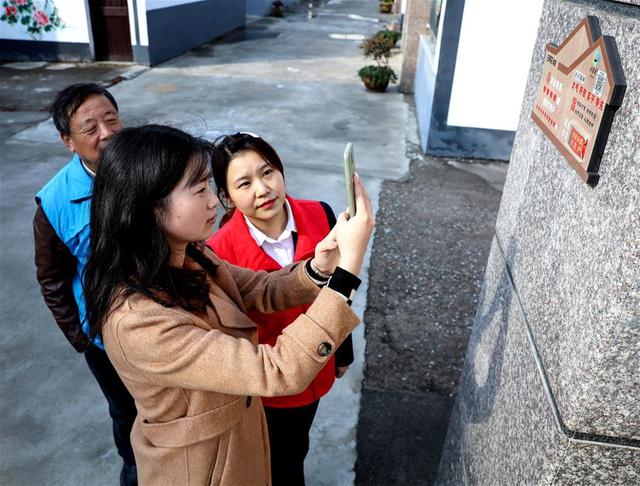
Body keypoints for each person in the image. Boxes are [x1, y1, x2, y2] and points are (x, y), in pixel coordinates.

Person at [83, 124, 375, 485]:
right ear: (149, 206)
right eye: (199, 188)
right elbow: (276, 369)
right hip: (205, 468)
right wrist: (346, 274)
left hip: (241, 438)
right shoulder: (138, 320)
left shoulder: (190, 255)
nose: (212, 201)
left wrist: (321, 267)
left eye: (208, 185)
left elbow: (260, 287)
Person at [206, 132, 354, 485]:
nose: (263, 189)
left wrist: (343, 352)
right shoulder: (218, 252)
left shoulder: (320, 213)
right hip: (270, 387)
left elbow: (341, 288)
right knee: (280, 464)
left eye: (267, 172)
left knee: (296, 446)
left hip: (318, 369)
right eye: (245, 183)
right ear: (226, 197)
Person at [33, 83, 137, 485]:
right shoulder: (54, 202)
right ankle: (134, 469)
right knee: (126, 412)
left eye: (111, 119)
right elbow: (52, 278)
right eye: (89, 127)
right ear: (68, 142)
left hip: (168, 321)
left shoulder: (145, 168)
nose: (106, 133)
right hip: (106, 337)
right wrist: (80, 337)